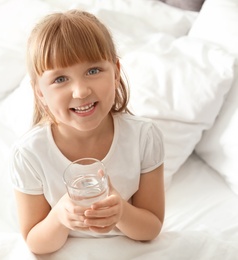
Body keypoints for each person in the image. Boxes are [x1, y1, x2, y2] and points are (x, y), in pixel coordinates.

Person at [9, 9, 165, 255]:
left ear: (115, 72)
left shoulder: (143, 138)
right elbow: (36, 243)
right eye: (60, 79)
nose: (80, 91)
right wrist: (59, 216)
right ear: (39, 92)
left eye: (93, 71)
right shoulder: (29, 154)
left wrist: (121, 212)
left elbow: (151, 229)